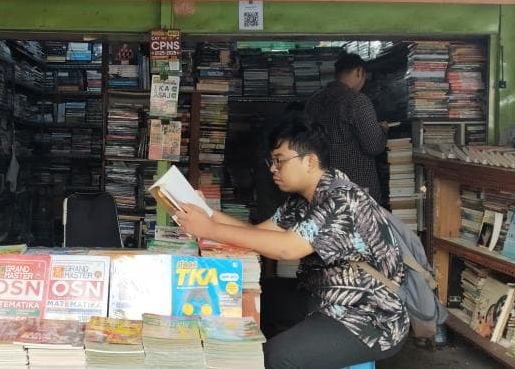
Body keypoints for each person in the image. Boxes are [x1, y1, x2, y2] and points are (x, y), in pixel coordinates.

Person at [174, 116, 408, 369]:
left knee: (277, 357)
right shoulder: (300, 201)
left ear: (310, 161)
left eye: (280, 160)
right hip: (321, 297)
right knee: (245, 295)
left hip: (367, 316)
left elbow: (287, 247)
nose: (273, 168)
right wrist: (204, 212)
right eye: (271, 161)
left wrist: (210, 229)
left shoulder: (342, 199)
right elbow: (258, 234)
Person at [305, 52, 388, 204]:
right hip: (356, 187)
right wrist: (382, 130)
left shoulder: (313, 102)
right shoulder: (358, 101)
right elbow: (374, 146)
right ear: (359, 72)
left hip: (319, 184)